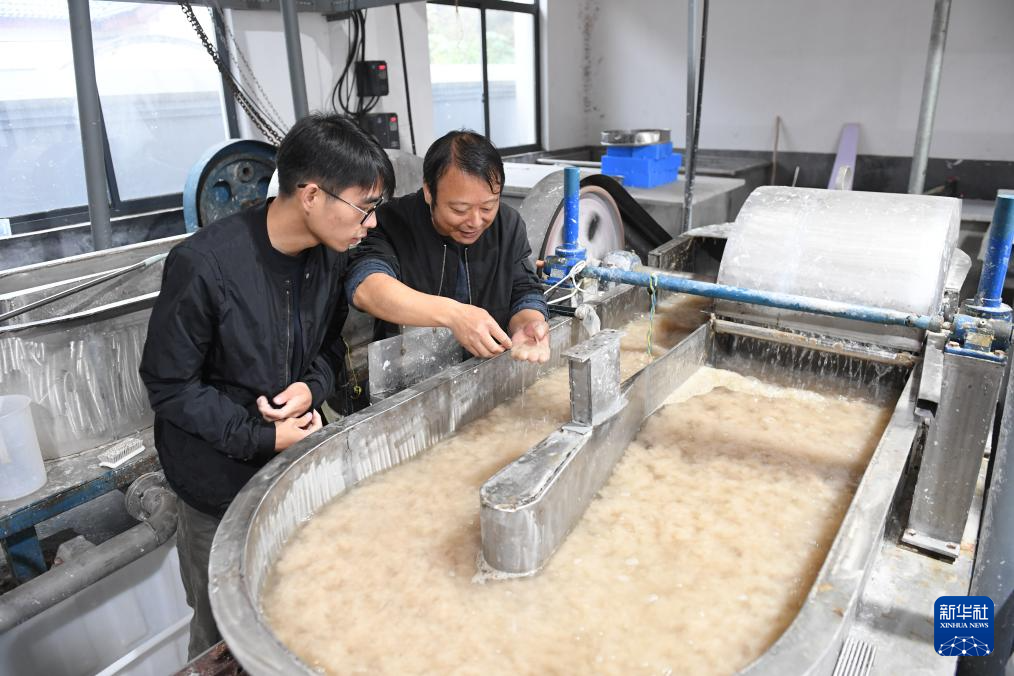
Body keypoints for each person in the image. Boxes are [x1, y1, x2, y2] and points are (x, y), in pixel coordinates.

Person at [139, 113, 394, 659]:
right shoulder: (204, 265)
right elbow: (169, 386)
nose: (370, 223)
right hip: (218, 489)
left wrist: (311, 387)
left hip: (293, 471)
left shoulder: (329, 257)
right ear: (310, 195)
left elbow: (330, 346)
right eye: (364, 206)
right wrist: (260, 437)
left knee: (297, 617)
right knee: (222, 642)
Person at [346, 130, 551, 363]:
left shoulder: (508, 224)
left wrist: (528, 324)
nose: (475, 222)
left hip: (485, 367)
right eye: (459, 210)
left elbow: (524, 290)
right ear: (428, 192)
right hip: (410, 373)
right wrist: (454, 315)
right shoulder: (393, 222)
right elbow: (366, 288)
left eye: (487, 207)